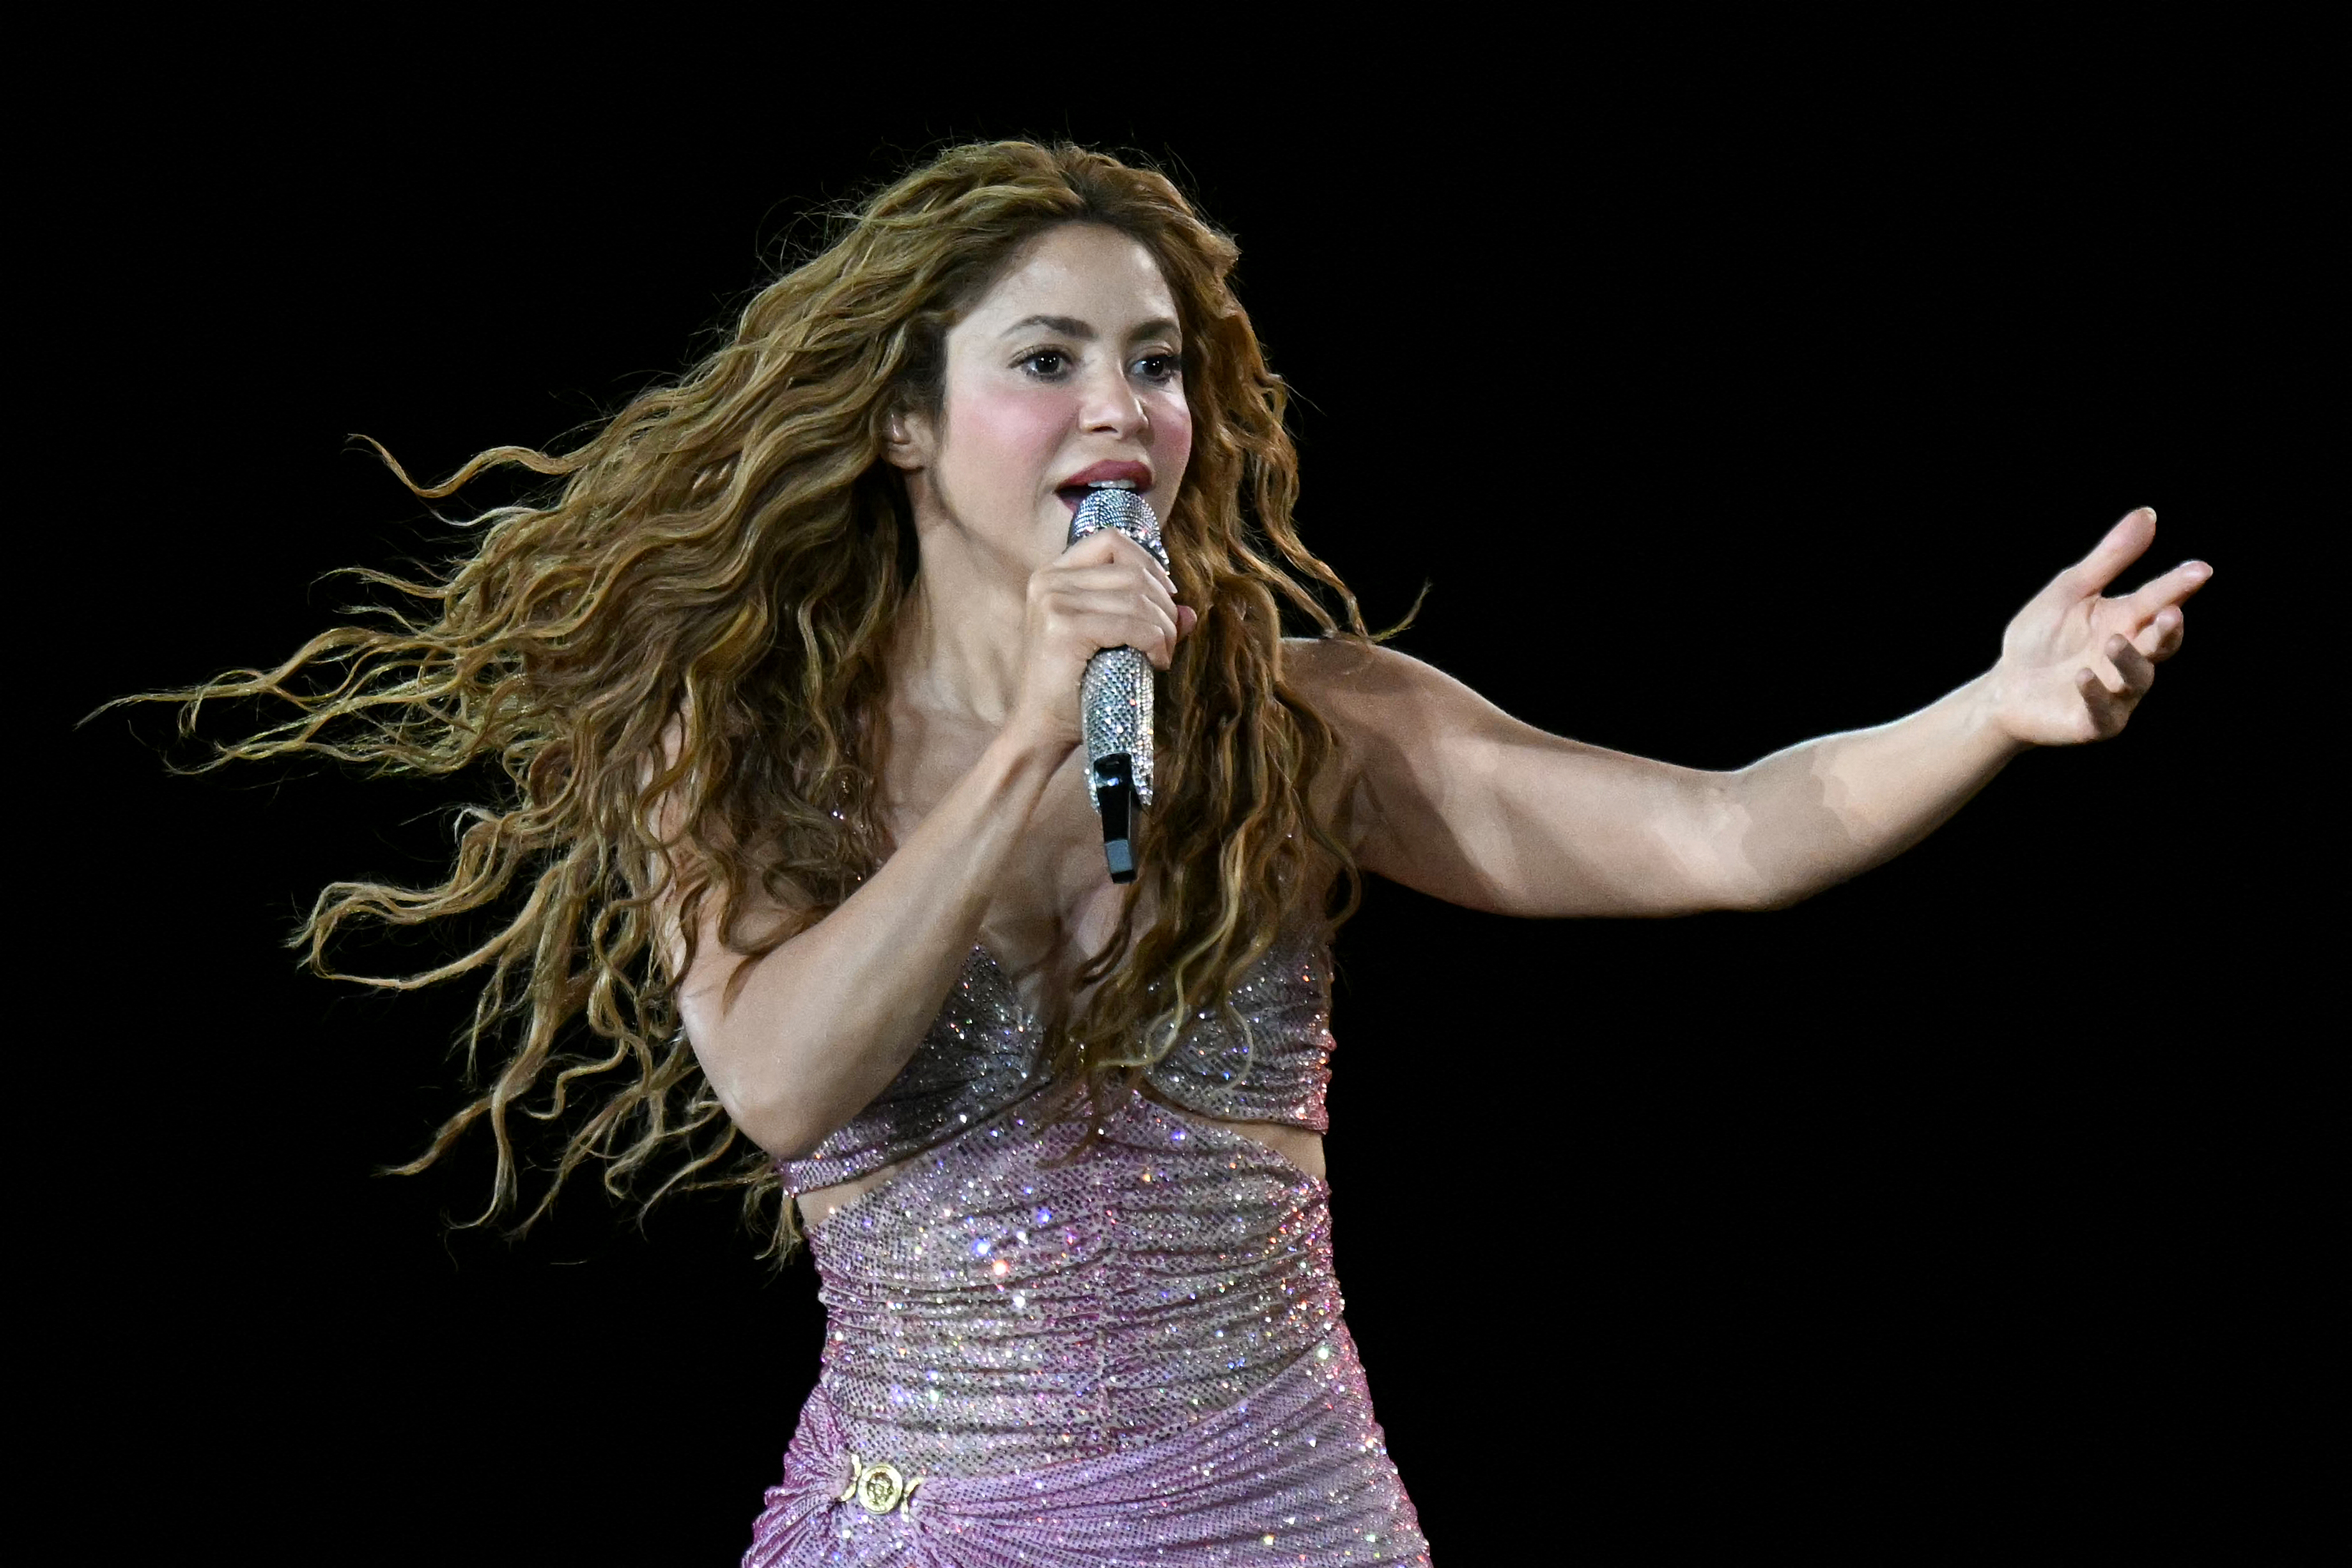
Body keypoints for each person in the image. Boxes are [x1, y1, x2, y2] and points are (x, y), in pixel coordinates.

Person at [145, 141, 2208, 1566]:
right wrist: (1029, 741)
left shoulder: (1308, 720)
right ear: (903, 421)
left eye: (1152, 363)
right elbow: (776, 1073)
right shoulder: (743, 738)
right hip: (927, 1521)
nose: (1115, 406)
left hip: (1282, 1513)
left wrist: (1987, 708)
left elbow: (1727, 831)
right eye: (1044, 362)